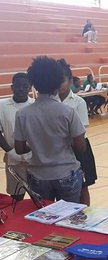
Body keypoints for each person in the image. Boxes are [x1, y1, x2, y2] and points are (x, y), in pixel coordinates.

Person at [14, 56, 86, 202]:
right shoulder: (68, 112)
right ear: (59, 82)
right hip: (66, 174)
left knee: (44, 223)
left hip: (39, 178)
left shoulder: (22, 114)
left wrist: (37, 145)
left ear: (33, 83)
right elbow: (81, 147)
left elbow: (20, 149)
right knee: (68, 221)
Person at [57, 59, 98, 206]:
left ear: (69, 81)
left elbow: (80, 131)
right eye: (56, 81)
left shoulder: (78, 102)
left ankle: (85, 216)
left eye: (63, 80)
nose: (60, 84)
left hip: (78, 149)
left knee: (82, 187)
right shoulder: (51, 102)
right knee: (61, 191)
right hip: (58, 152)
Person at [0, 73, 34, 201]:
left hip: (34, 159)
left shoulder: (35, 104)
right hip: (13, 159)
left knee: (38, 197)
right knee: (16, 198)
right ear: (12, 87)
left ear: (30, 88)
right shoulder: (1, 106)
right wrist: (10, 151)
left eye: (25, 86)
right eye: (18, 86)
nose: (21, 89)